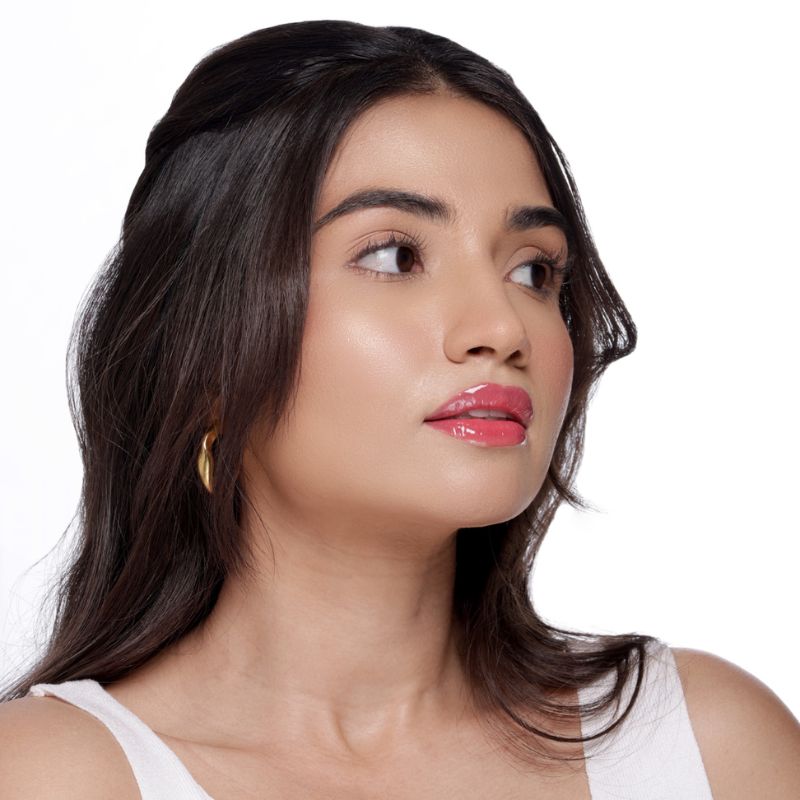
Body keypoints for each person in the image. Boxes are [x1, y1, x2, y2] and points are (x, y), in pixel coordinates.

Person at [1, 19, 798, 799]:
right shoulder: (53, 776)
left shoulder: (706, 750)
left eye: (534, 271)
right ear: (203, 349)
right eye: (395, 256)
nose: (502, 329)